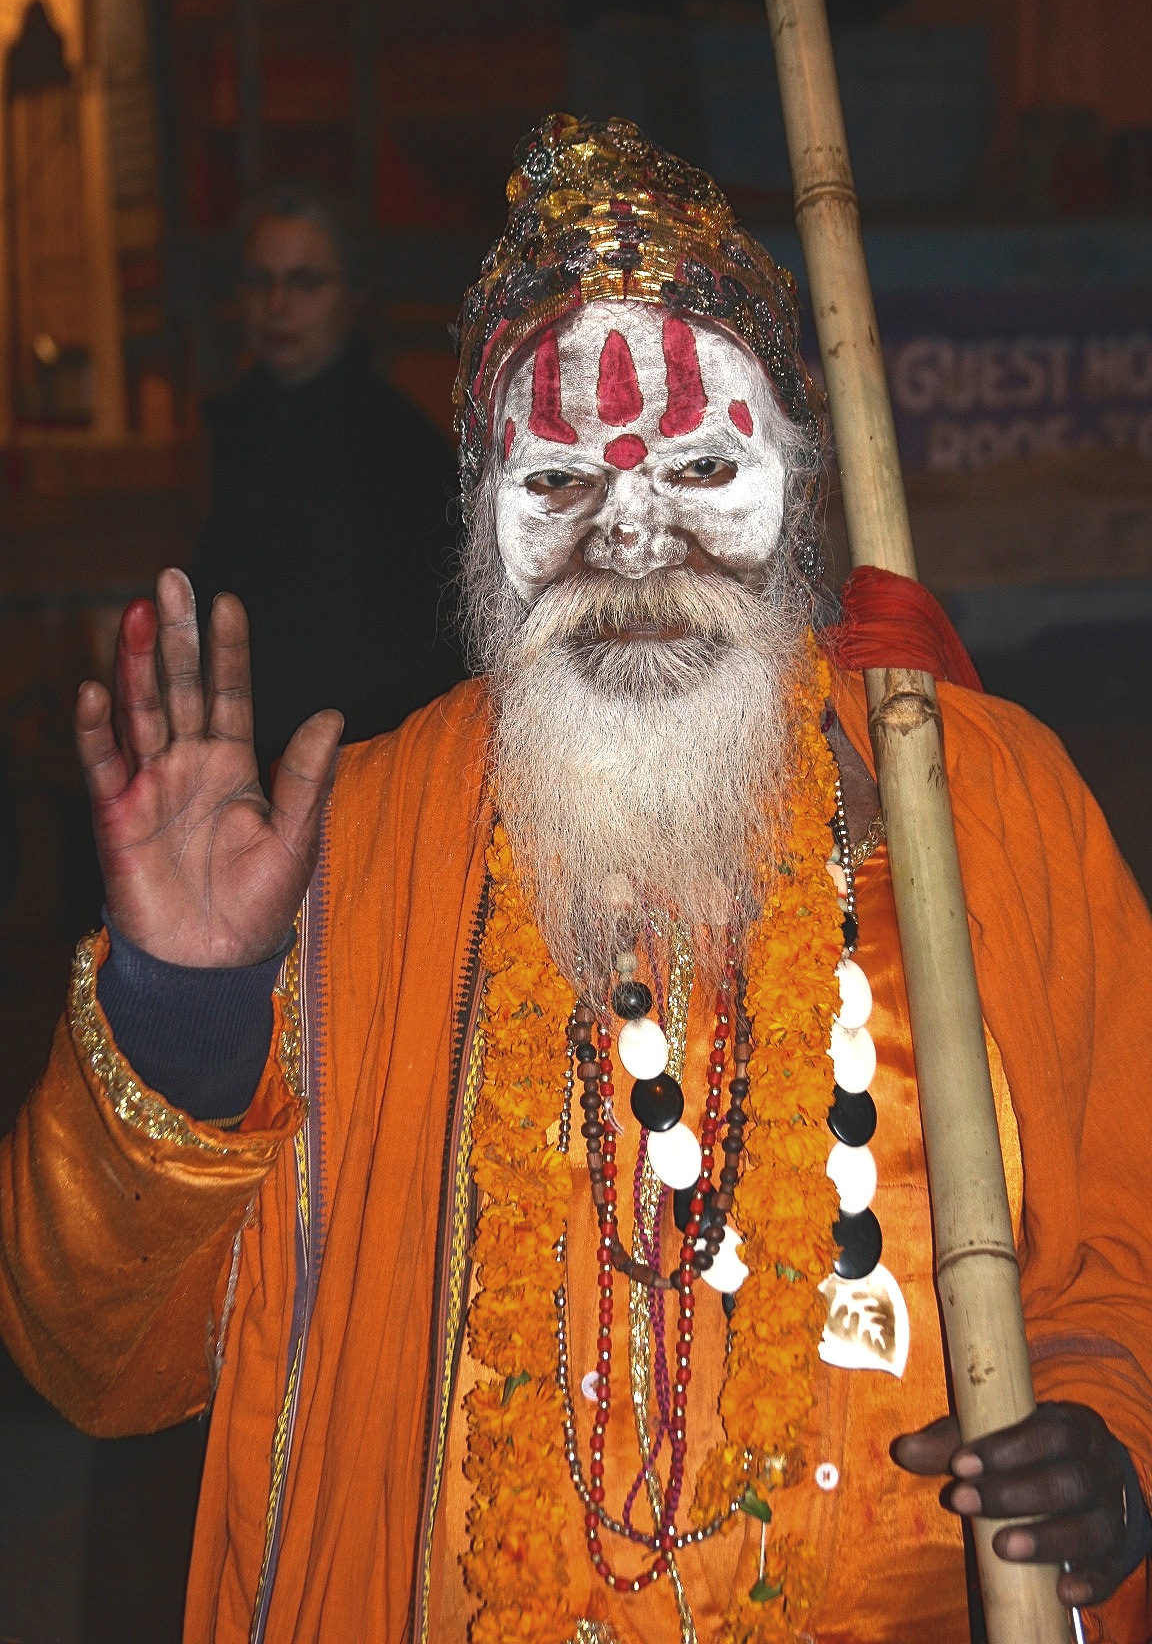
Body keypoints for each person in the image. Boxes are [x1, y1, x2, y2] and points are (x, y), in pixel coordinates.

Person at [1, 116, 1150, 1644]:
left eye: (702, 466)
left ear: (799, 498)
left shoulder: (984, 807)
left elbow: (1121, 1267)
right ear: (480, 525)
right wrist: (186, 1017)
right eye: (558, 481)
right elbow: (99, 1357)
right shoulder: (362, 849)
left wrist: (1115, 1446)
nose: (633, 535)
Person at [193, 181, 462, 775]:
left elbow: (419, 647)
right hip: (244, 756)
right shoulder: (226, 426)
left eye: (305, 282)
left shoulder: (398, 445)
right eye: (259, 281)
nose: (278, 306)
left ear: (356, 295)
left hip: (364, 764)